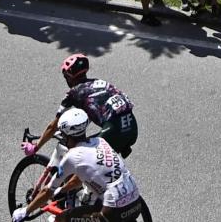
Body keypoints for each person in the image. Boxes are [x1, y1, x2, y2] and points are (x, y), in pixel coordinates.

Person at [15, 109, 145, 222]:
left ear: (66, 136)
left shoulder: (72, 157)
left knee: (61, 218)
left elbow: (47, 191)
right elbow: (78, 179)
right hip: (136, 203)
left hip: (113, 210)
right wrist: (62, 190)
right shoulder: (101, 141)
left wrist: (25, 211)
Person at [52, 54, 139, 156]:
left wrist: (37, 146)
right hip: (132, 130)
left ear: (68, 77)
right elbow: (89, 114)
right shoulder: (98, 83)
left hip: (114, 132)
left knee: (79, 153)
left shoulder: (74, 93)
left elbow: (52, 127)